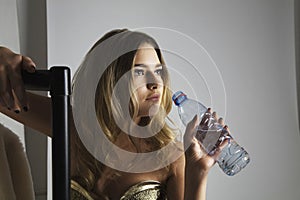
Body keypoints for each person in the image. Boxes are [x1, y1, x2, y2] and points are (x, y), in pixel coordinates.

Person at [0, 29, 228, 200]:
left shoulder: (171, 155)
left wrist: (198, 173)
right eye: (139, 71)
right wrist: (3, 54)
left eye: (158, 71)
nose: (155, 83)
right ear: (111, 79)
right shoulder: (71, 126)